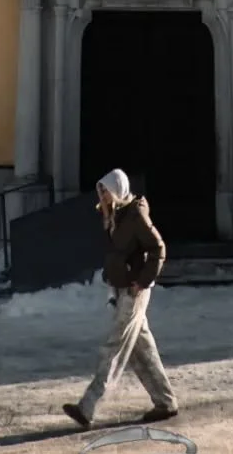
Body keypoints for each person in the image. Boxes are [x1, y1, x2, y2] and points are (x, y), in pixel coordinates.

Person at [62, 168, 178, 429]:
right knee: (142, 352)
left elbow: (158, 248)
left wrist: (143, 280)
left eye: (106, 190)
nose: (102, 195)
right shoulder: (113, 216)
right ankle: (166, 402)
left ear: (118, 190)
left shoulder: (135, 214)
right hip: (122, 287)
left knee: (113, 347)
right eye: (100, 190)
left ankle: (87, 407)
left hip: (134, 291)